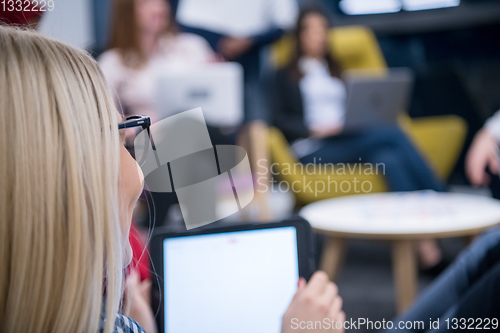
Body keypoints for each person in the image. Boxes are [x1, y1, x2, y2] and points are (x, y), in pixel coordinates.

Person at [0, 25, 345, 333]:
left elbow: (221, 95)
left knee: (193, 134)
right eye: (114, 137)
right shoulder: (117, 61)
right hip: (159, 145)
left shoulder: (188, 47)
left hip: (190, 140)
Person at [273, 8, 447, 271]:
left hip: (346, 139)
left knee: (389, 160)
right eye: (312, 30)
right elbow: (277, 121)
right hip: (311, 147)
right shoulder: (284, 75)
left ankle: (425, 248)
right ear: (299, 35)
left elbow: (352, 109)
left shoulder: (337, 70)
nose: (319, 36)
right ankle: (442, 196)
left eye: (324, 30)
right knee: (390, 132)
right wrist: (314, 128)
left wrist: (351, 121)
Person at [176, 0, 299, 121]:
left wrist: (250, 41)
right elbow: (185, 17)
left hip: (250, 60)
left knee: (252, 119)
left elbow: (285, 21)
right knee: (200, 117)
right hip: (202, 54)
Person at [100, 0, 216, 123]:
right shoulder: (113, 61)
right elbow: (106, 121)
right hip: (148, 136)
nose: (158, 8)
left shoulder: (193, 47)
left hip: (200, 130)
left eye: (161, 1)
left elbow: (216, 102)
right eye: (146, 2)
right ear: (127, 10)